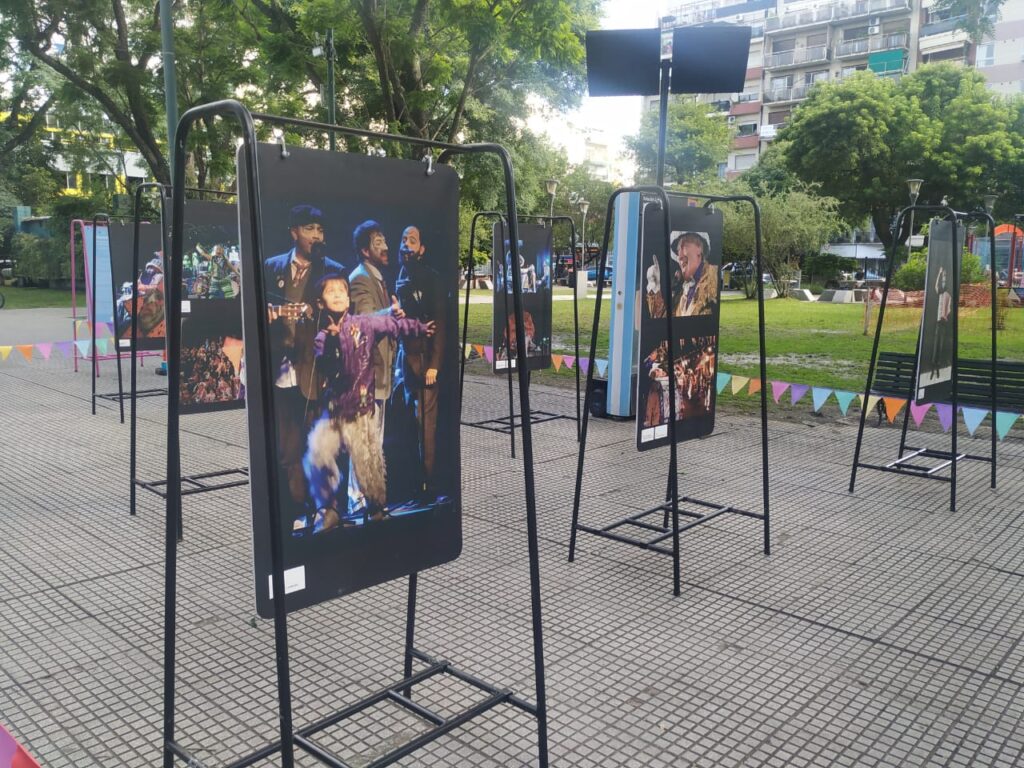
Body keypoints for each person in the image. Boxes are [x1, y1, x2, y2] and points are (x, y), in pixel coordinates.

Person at [303, 274, 434, 530]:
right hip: (335, 411)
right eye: (331, 292)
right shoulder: (321, 337)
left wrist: (419, 327)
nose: (339, 294)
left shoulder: (364, 324)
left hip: (361, 410)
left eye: (342, 290)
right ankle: (329, 509)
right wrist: (331, 339)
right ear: (321, 303)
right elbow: (327, 365)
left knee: (369, 462)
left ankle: (376, 509)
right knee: (317, 454)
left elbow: (392, 325)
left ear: (349, 297)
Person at [263, 204, 344, 529]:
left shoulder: (332, 269)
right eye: (310, 228)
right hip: (281, 371)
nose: (316, 235)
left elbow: (344, 316)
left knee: (321, 445)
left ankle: (328, 511)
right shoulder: (271, 267)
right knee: (288, 448)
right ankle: (296, 512)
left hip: (318, 372)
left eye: (320, 230)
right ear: (294, 232)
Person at [394, 226, 446, 497]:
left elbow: (440, 322)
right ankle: (413, 478)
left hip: (425, 359)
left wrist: (435, 364)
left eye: (412, 241)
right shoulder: (401, 276)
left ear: (422, 249)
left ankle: (428, 481)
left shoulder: (431, 279)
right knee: (409, 421)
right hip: (406, 360)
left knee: (426, 424)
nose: (406, 245)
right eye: (403, 240)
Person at [672, 232, 718, 317]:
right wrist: (654, 289)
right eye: (678, 250)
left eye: (683, 246)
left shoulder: (714, 277)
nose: (679, 257)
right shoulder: (683, 291)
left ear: (699, 249)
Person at [930, 265, 953, 380]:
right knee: (936, 343)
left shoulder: (947, 294)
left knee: (940, 343)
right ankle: (934, 365)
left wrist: (945, 315)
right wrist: (939, 274)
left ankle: (938, 364)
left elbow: (948, 308)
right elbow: (937, 286)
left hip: (943, 321)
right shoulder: (940, 293)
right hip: (938, 321)